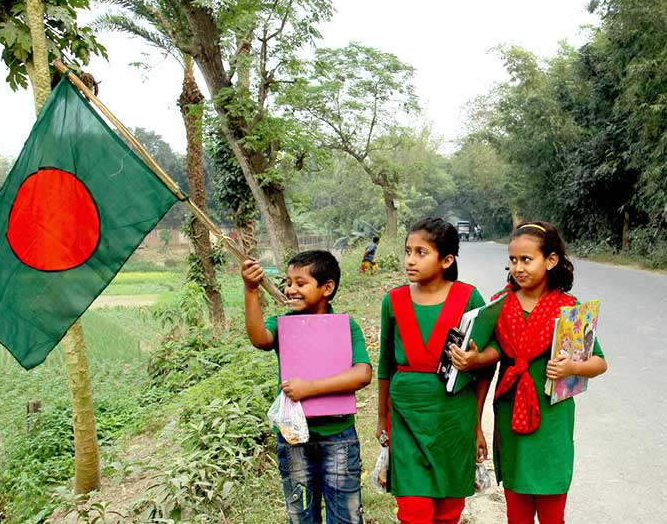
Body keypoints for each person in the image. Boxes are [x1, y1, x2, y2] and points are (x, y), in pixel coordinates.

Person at [482, 221, 607, 524]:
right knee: (517, 513)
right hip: (510, 417)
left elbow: (599, 363)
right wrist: (474, 357)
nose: (518, 268)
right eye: (513, 260)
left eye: (527, 259)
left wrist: (572, 367)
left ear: (550, 260)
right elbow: (492, 355)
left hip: (552, 422)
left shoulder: (569, 310)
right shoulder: (500, 304)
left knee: (553, 514)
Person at [376, 218, 498, 524]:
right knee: (413, 511)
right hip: (405, 417)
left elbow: (491, 359)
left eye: (420, 252)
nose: (410, 260)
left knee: (448, 511)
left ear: (446, 260)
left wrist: (477, 423)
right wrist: (382, 417)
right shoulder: (393, 301)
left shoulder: (468, 297)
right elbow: (385, 364)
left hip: (454, 419)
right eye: (408, 251)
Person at [242, 250, 372, 524]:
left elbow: (362, 374)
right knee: (301, 516)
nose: (291, 290)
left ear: (327, 288)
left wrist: (310, 388)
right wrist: (251, 290)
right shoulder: (282, 325)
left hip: (339, 436)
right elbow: (259, 338)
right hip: (293, 437)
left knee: (346, 516)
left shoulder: (346, 327)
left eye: (301, 283)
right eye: (289, 283)